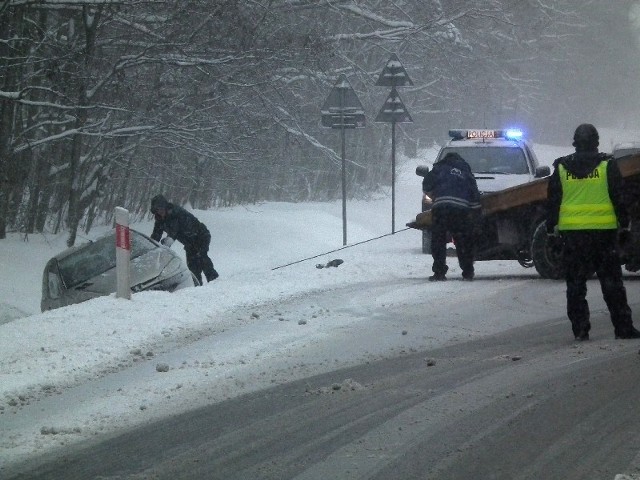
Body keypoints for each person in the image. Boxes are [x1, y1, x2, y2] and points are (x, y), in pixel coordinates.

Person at [546, 123, 639, 341]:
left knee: (576, 285)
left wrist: (551, 233)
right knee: (612, 284)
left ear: (575, 143)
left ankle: (580, 329)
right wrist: (624, 227)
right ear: (596, 142)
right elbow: (619, 198)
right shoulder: (607, 165)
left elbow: (552, 203)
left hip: (573, 237)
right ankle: (623, 328)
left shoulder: (561, 167)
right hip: (603, 236)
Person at [422, 152, 481, 281]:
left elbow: (426, 184)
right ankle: (467, 272)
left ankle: (439, 272)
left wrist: (433, 195)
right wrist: (476, 212)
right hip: (461, 211)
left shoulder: (439, 168)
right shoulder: (466, 171)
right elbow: (474, 194)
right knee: (462, 241)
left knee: (438, 240)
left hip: (441, 209)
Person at [150, 194, 219, 285]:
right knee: (192, 265)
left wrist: (167, 242)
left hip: (201, 236)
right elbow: (156, 235)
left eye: (161, 208)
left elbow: (174, 232)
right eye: (157, 210)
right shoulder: (159, 220)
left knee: (202, 258)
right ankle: (197, 286)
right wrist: (151, 247)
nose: (160, 212)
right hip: (189, 242)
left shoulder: (176, 213)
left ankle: (214, 282)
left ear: (165, 206)